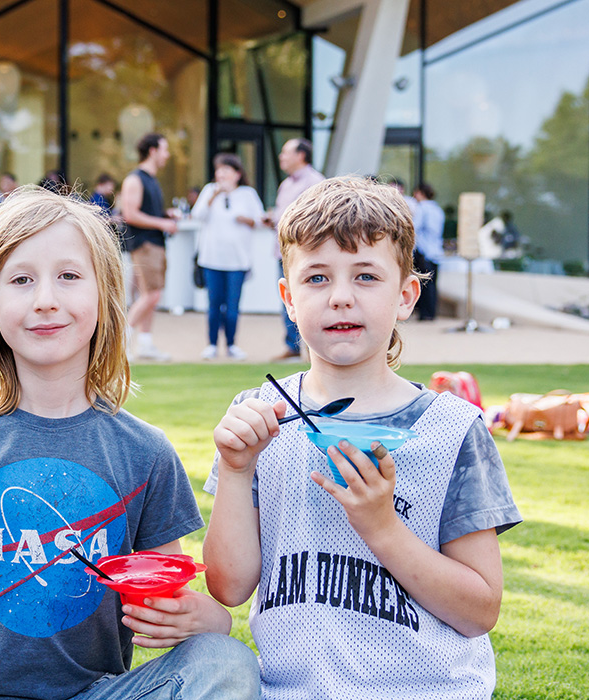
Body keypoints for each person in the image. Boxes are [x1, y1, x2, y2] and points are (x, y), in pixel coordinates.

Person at [0, 186, 260, 700]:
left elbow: (183, 603)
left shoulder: (145, 451)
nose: (46, 299)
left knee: (225, 660)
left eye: (70, 277)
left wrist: (197, 618)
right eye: (21, 280)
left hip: (97, 693)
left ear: (104, 297)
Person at [203, 177, 521, 699]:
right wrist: (237, 471)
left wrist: (381, 526)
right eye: (317, 278)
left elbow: (480, 610)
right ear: (288, 297)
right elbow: (230, 587)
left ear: (405, 295)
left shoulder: (453, 430)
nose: (341, 298)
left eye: (367, 276)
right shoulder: (258, 418)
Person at [189, 153, 264, 361]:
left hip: (238, 261)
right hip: (211, 259)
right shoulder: (208, 191)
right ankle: (212, 344)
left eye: (226, 170)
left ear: (237, 174)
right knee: (213, 304)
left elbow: (260, 220)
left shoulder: (247, 194)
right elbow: (197, 216)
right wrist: (214, 195)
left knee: (232, 307)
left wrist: (246, 220)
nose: (221, 174)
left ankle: (231, 344)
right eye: (218, 169)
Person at [262, 138, 324, 361]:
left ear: (301, 155)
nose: (281, 157)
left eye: (285, 152)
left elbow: (321, 220)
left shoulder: (316, 183)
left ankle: (312, 349)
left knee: (310, 300)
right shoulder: (285, 185)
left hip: (307, 254)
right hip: (284, 253)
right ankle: (292, 346)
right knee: (288, 300)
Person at [121, 133, 180, 361]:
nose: (167, 155)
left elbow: (144, 211)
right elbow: (130, 213)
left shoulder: (151, 180)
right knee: (151, 295)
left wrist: (165, 215)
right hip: (145, 244)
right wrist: (162, 222)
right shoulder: (135, 179)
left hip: (155, 243)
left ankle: (145, 344)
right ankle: (120, 342)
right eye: (164, 149)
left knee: (152, 295)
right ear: (153, 151)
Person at [412, 182, 444, 322]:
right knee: (433, 284)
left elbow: (415, 228)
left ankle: (425, 314)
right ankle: (431, 312)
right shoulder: (438, 210)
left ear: (420, 193)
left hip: (424, 251)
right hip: (436, 251)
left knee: (424, 285)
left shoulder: (422, 209)